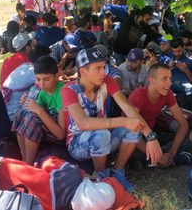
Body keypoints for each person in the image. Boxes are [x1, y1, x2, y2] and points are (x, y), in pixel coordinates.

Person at [61, 48, 162, 192]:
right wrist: (123, 121)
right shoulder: (69, 90)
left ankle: (117, 171)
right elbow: (83, 123)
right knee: (104, 133)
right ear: (83, 71)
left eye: (104, 67)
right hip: (77, 144)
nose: (104, 72)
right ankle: (101, 177)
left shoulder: (107, 81)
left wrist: (150, 136)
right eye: (98, 68)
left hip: (104, 136)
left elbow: (129, 109)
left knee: (132, 127)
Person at [127, 63, 192, 168]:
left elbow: (183, 124)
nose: (169, 83)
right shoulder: (137, 96)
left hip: (153, 139)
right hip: (133, 141)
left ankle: (159, 159)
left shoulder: (167, 93)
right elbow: (128, 132)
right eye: (164, 79)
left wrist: (172, 152)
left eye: (170, 78)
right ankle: (156, 159)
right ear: (151, 80)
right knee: (131, 149)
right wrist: (160, 156)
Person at [12, 56, 67, 164]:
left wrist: (38, 110)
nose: (42, 84)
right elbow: (35, 116)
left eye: (46, 79)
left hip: (65, 135)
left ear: (56, 76)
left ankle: (29, 163)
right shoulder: (42, 92)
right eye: (38, 79)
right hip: (51, 127)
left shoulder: (62, 92)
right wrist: (27, 105)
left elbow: (61, 134)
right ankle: (24, 158)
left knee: (32, 117)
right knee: (19, 113)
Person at [1, 45, 51, 120]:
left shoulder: (25, 66)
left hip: (7, 112)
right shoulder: (34, 71)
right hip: (14, 117)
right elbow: (54, 82)